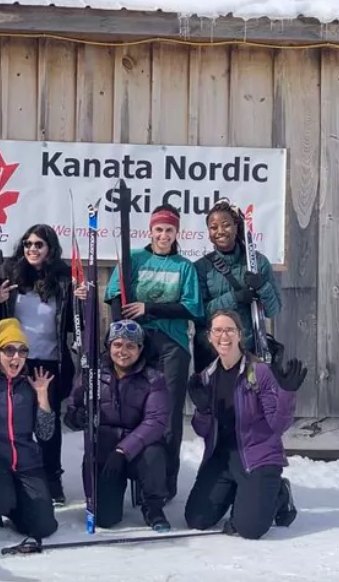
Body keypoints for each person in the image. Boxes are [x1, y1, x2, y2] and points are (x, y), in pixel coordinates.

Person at [105, 204, 203, 501]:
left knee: (168, 416)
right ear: (150, 231)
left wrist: (150, 308)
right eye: (158, 229)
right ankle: (129, 474)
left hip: (172, 346)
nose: (163, 235)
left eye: (169, 230)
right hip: (139, 345)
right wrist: (120, 339)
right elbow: (113, 298)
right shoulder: (134, 259)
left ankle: (164, 485)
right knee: (134, 410)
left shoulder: (184, 267)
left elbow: (192, 308)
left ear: (177, 232)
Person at [184, 309, 305, 540]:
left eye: (230, 329)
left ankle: (279, 492)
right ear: (209, 336)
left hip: (257, 458)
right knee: (196, 519)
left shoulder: (258, 372)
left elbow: (278, 426)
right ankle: (240, 491)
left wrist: (287, 394)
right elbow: (203, 430)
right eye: (217, 330)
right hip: (221, 460)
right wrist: (202, 410)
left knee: (248, 529)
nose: (224, 336)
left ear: (240, 334)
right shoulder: (206, 377)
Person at [0, 224, 82, 506]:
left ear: (50, 248)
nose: (32, 249)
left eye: (39, 244)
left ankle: (52, 478)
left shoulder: (64, 279)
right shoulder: (8, 274)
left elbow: (77, 326)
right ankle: (10, 475)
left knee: (46, 424)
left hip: (48, 361)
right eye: (28, 244)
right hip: (15, 359)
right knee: (13, 420)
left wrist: (81, 304)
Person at [65, 320, 171, 530]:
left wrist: (123, 450)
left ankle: (153, 507)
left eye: (131, 346)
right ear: (109, 346)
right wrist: (78, 416)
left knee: (155, 454)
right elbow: (71, 412)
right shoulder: (92, 374)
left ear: (140, 349)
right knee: (105, 519)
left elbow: (155, 421)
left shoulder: (154, 379)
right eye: (117, 345)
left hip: (137, 450)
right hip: (104, 450)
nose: (123, 351)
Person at [0, 318, 58, 540]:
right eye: (9, 350)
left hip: (26, 464)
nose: (16, 357)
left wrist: (41, 396)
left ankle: (17, 508)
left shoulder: (31, 383)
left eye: (22, 351)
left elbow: (45, 434)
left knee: (44, 527)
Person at [193, 198, 282, 372]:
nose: (220, 231)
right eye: (213, 227)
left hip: (249, 347)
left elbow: (274, 310)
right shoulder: (201, 268)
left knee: (247, 399)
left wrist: (262, 287)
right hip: (213, 350)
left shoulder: (257, 262)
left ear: (236, 226)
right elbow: (199, 314)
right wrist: (235, 298)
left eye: (226, 225)